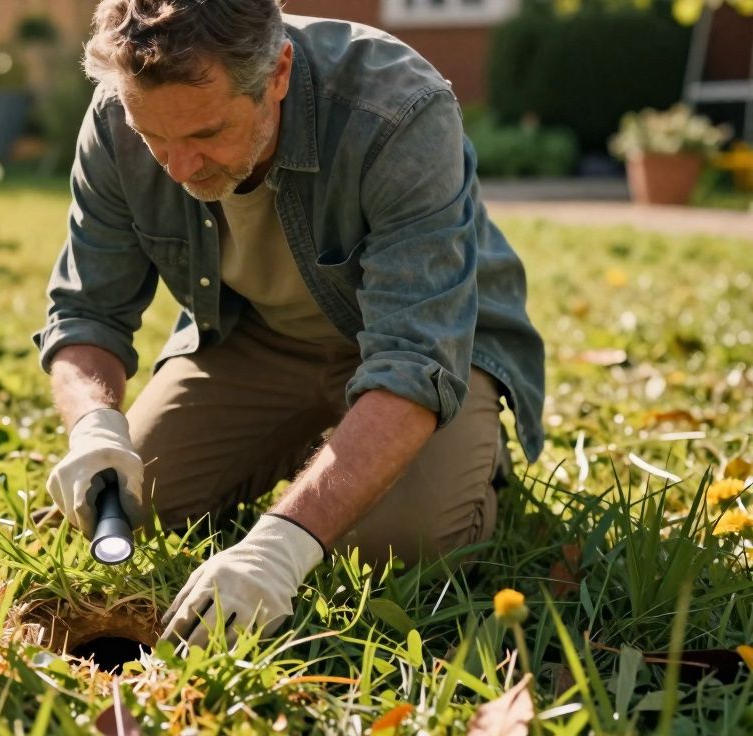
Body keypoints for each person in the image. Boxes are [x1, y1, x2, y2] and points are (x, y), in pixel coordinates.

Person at [34, 0, 546, 648]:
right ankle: (326, 455)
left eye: (206, 134)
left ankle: (469, 454)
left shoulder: (398, 109)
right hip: (263, 338)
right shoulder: (116, 114)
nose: (178, 167)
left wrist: (284, 543)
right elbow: (85, 310)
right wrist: (94, 427)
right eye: (154, 137)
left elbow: (416, 357)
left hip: (431, 347)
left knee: (397, 543)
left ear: (277, 73)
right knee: (137, 503)